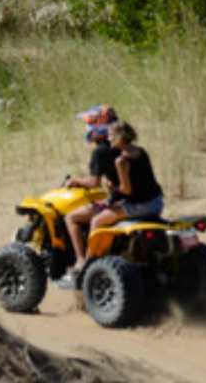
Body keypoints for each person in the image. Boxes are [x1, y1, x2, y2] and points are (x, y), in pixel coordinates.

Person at [57, 105, 120, 288]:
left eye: (89, 125)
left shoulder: (100, 151)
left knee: (71, 218)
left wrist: (74, 180)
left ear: (99, 126)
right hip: (128, 198)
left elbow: (94, 183)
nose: (87, 129)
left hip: (120, 203)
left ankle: (80, 261)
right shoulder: (121, 145)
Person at [89, 120, 165, 239]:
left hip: (140, 206)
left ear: (119, 137)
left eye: (110, 135)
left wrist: (111, 186)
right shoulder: (142, 151)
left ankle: (91, 257)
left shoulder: (121, 161)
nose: (108, 139)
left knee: (96, 221)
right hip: (157, 202)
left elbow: (126, 190)